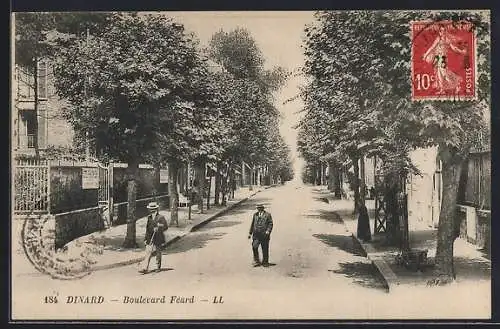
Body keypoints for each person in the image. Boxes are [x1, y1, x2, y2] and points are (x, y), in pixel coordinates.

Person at [139, 202, 168, 273]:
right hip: (150, 238)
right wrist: (145, 239)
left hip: (158, 237)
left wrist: (159, 227)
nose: (152, 211)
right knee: (148, 252)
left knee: (158, 253)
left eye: (153, 209)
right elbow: (147, 229)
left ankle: (158, 267)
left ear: (156, 209)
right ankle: (145, 268)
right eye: (150, 209)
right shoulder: (149, 218)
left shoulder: (161, 217)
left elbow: (165, 227)